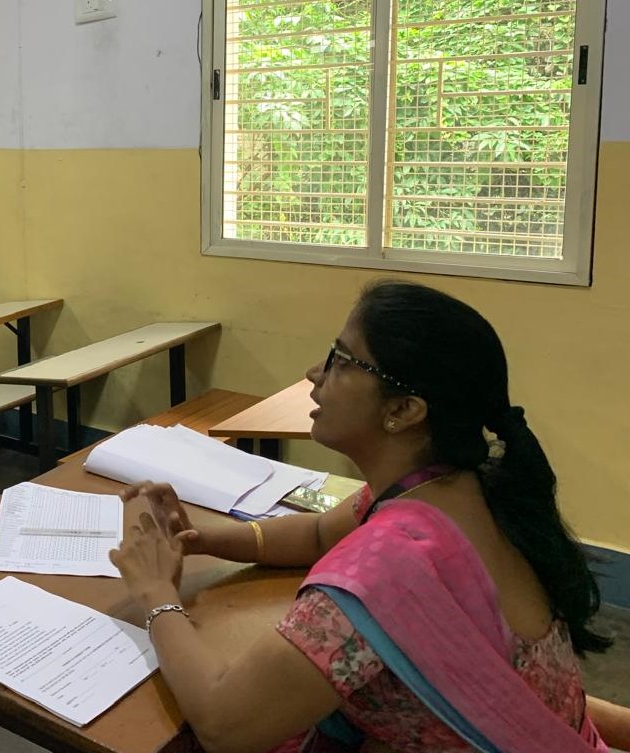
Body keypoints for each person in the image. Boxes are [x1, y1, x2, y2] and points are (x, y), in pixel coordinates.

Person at [110, 280, 627, 752]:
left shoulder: (382, 573)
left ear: (403, 410)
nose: (314, 374)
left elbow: (225, 725)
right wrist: (202, 538)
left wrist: (156, 592)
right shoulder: (460, 486)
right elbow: (318, 533)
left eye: (340, 360)